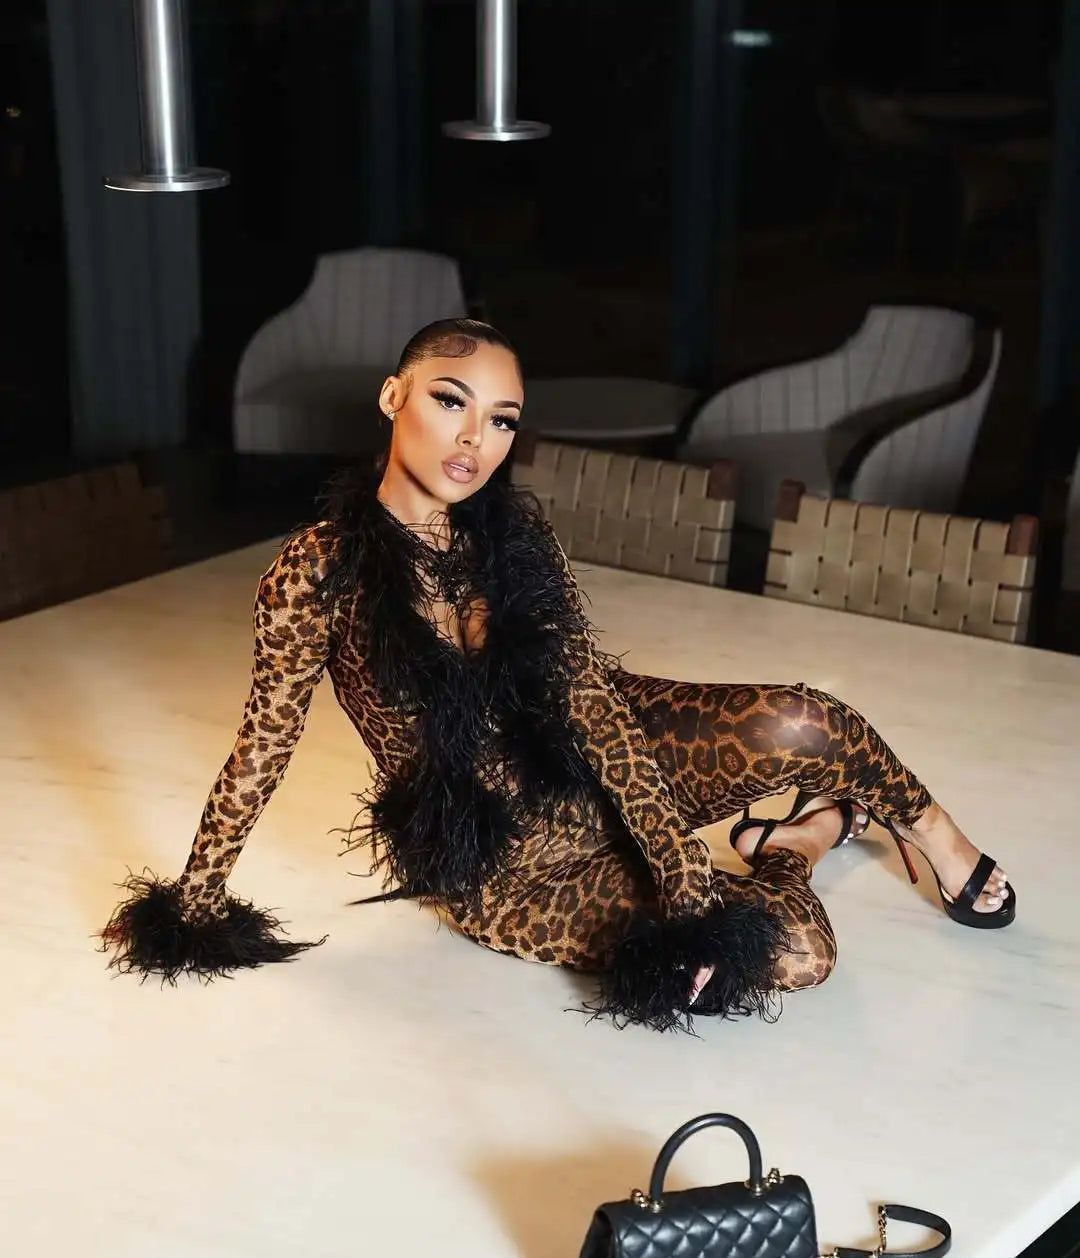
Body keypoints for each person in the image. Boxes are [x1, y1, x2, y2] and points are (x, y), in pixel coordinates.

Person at [101, 319, 1015, 1032]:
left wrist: (686, 888)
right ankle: (799, 841)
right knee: (803, 953)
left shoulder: (516, 534)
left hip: (598, 765)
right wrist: (194, 906)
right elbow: (264, 743)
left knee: (805, 721)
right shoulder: (317, 571)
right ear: (392, 396)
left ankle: (937, 840)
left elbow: (596, 711)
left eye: (501, 419)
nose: (475, 439)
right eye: (451, 401)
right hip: (512, 866)